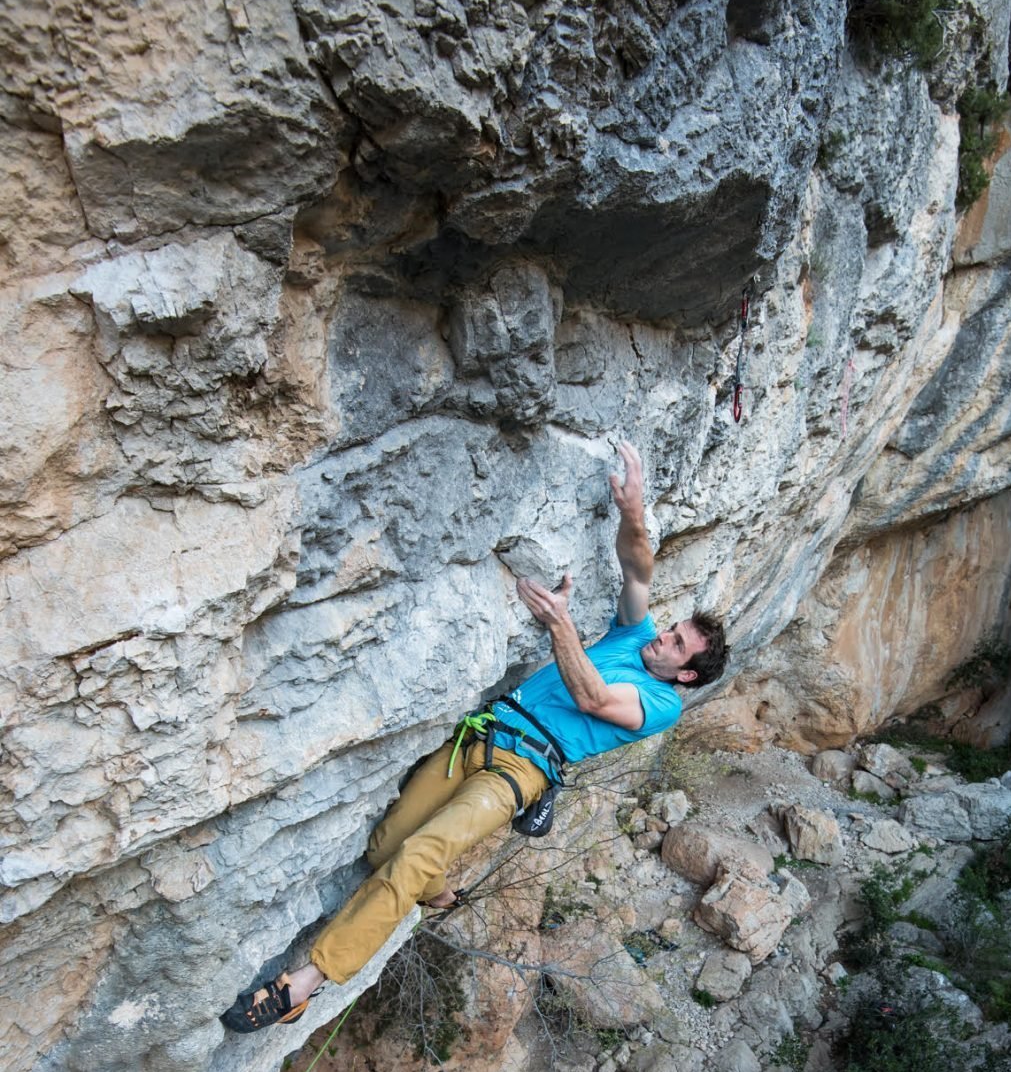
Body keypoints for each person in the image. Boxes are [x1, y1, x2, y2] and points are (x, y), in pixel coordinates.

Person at [223, 440, 727, 1033]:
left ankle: (300, 985)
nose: (662, 637)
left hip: (520, 773)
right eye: (670, 629)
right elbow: (638, 568)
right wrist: (633, 510)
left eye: (675, 645)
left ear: (686, 673)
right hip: (479, 736)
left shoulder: (662, 703)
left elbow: (592, 696)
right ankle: (436, 896)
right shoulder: (634, 636)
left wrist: (560, 625)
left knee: (418, 853)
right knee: (387, 846)